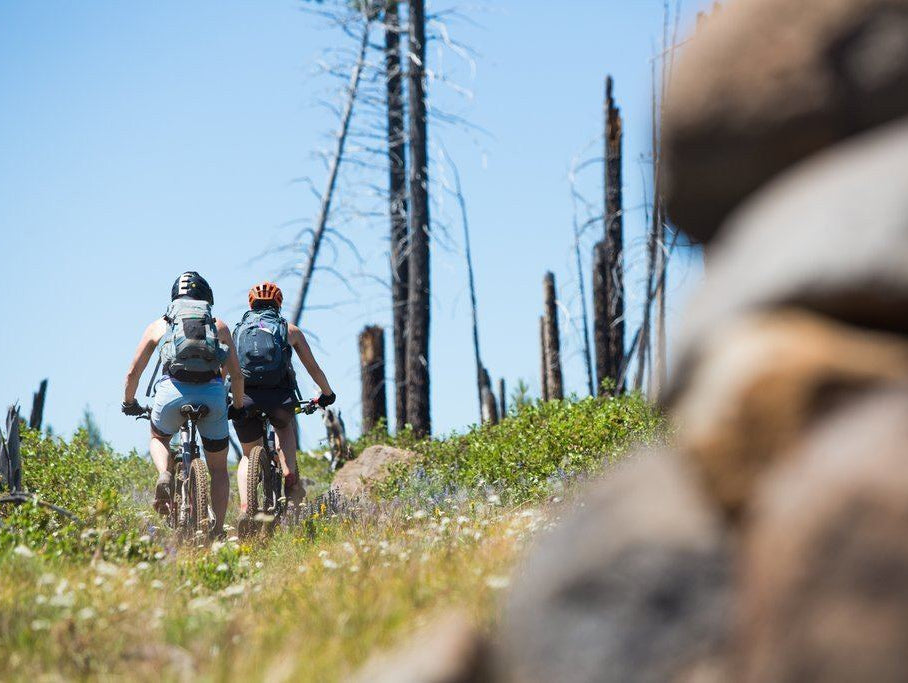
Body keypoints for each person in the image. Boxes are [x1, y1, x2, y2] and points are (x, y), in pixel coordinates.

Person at [121, 271, 243, 536]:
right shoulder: (218, 325)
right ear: (206, 299)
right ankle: (218, 529)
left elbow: (133, 372)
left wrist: (129, 402)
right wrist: (240, 405)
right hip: (212, 396)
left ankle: (164, 472)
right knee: (219, 469)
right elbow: (236, 373)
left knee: (158, 437)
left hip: (171, 394)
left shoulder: (159, 325)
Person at [230, 281, 334, 526]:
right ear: (278, 303)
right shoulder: (290, 330)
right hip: (279, 398)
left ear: (251, 304)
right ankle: (289, 473)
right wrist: (327, 394)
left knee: (247, 457)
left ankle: (246, 507)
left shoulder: (237, 330)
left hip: (246, 398)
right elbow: (313, 369)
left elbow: (229, 370)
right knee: (284, 427)